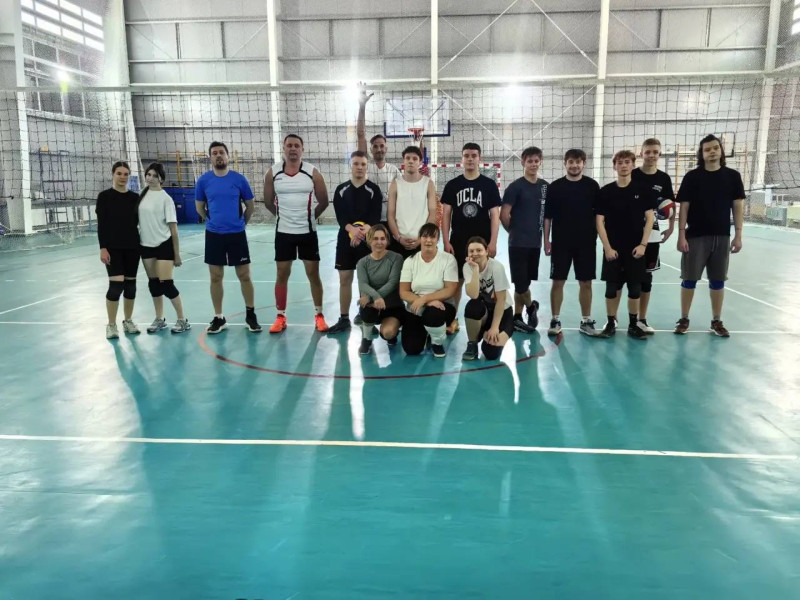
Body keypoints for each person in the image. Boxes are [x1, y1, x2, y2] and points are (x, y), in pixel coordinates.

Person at [675, 134, 745, 337]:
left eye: (715, 148)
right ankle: (684, 318)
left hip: (722, 237)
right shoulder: (692, 177)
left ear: (721, 151)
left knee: (718, 280)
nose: (712, 152)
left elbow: (737, 206)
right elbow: (684, 207)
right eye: (707, 149)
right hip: (695, 236)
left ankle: (716, 320)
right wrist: (681, 235)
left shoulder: (733, 176)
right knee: (689, 279)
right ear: (702, 154)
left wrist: (738, 235)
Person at [263, 134, 331, 333]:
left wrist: (308, 218)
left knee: (313, 274)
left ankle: (319, 315)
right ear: (284, 148)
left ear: (302, 149)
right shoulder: (273, 173)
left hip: (307, 232)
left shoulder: (313, 172)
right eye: (289, 145)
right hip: (283, 233)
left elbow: (324, 202)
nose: (293, 148)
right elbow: (268, 202)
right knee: (282, 274)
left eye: (296, 146)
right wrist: (283, 217)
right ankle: (280, 317)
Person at [195, 141, 260, 334]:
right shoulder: (203, 181)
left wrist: (241, 224)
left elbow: (250, 206)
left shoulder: (239, 179)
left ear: (227, 156)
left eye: (221, 152)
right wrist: (211, 221)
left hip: (236, 234)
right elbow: (199, 207)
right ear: (210, 157)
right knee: (216, 277)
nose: (218, 155)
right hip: (214, 235)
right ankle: (219, 317)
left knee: (244, 275)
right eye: (214, 153)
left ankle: (250, 315)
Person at [441, 142, 502, 335]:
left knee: (484, 282)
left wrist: (493, 242)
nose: (470, 159)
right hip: (458, 242)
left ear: (479, 159)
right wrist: (445, 241)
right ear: (461, 159)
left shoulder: (489, 185)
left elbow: (495, 215)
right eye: (466, 155)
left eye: (474, 155)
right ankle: (452, 319)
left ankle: (485, 318)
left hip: (482, 244)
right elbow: (446, 215)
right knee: (457, 282)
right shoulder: (452, 185)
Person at [595, 150, 655, 340]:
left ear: (633, 165)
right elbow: (599, 221)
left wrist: (643, 244)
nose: (623, 165)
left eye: (627, 162)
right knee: (611, 289)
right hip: (613, 249)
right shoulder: (606, 191)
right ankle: (610, 323)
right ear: (614, 166)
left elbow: (650, 218)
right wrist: (607, 247)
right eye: (619, 162)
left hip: (635, 249)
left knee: (635, 289)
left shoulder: (642, 190)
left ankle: (633, 325)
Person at [543, 149, 600, 336]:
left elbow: (599, 216)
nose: (574, 165)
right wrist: (546, 241)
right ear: (565, 163)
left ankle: (586, 321)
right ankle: (555, 320)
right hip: (561, 243)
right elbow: (547, 217)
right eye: (571, 162)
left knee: (586, 282)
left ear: (584, 163)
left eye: (578, 162)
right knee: (558, 281)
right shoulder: (555, 187)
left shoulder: (592, 186)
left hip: (586, 243)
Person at [327, 151, 384, 334]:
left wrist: (363, 232)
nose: (359, 167)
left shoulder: (374, 190)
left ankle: (366, 317)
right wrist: (352, 231)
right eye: (356, 164)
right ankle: (344, 319)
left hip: (367, 241)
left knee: (365, 280)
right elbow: (341, 218)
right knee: (345, 279)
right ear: (350, 166)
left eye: (363, 164)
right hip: (346, 240)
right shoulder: (341, 190)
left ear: (367, 167)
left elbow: (375, 217)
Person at [500, 146, 547, 334]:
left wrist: (546, 239)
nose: (533, 164)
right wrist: (514, 231)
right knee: (520, 284)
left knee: (524, 283)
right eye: (530, 161)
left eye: (536, 161)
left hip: (535, 243)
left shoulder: (545, 187)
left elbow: (547, 216)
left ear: (540, 162)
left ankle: (518, 317)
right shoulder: (515, 187)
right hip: (518, 243)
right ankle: (531, 307)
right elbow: (504, 215)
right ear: (523, 163)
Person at [631, 138, 676, 334]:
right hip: (631, 231)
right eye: (647, 151)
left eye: (655, 152)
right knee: (626, 277)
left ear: (660, 154)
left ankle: (642, 319)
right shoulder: (632, 174)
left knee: (646, 278)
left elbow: (671, 205)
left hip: (654, 233)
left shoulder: (664, 178)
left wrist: (671, 227)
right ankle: (616, 319)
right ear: (641, 153)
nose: (651, 155)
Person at [138, 162, 190, 334]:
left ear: (161, 179)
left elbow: (173, 228)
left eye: (155, 176)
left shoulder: (166, 199)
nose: (150, 178)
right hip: (146, 245)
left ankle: (182, 320)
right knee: (154, 284)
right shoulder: (141, 195)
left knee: (166, 283)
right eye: (148, 174)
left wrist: (177, 254)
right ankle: (159, 319)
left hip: (164, 244)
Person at [398, 223, 459, 357]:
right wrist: (426, 302)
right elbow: (403, 292)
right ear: (419, 238)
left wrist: (425, 299)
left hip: (442, 307)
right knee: (411, 349)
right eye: (425, 236)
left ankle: (437, 342)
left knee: (433, 314)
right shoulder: (410, 261)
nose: (428, 240)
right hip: (417, 308)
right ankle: (428, 332)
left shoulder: (448, 259)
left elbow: (450, 290)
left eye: (433, 237)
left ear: (438, 240)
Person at [96, 161, 141, 339]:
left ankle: (128, 321)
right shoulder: (104, 197)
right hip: (113, 249)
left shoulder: (135, 198)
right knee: (116, 287)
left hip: (133, 247)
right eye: (119, 173)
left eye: (126, 174)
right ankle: (111, 325)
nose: (123, 177)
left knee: (130, 287)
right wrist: (103, 248)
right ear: (113, 175)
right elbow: (102, 225)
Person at [461, 237, 515, 361]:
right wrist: (475, 269)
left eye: (479, 250)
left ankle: (510, 327)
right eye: (471, 251)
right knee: (472, 306)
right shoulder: (467, 267)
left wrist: (494, 328)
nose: (475, 253)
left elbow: (501, 300)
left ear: (486, 251)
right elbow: (473, 295)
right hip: (484, 312)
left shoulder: (496, 267)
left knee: (491, 353)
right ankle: (472, 344)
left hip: (502, 311)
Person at [356, 224, 405, 354]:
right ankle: (366, 339)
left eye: (382, 238)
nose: (379, 242)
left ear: (387, 240)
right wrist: (374, 298)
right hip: (373, 305)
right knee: (365, 305)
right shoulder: (362, 262)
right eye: (375, 238)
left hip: (392, 305)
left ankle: (392, 334)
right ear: (369, 240)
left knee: (388, 333)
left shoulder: (396, 258)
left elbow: (393, 282)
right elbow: (363, 284)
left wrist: (373, 297)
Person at [356, 84, 401, 226]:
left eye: (381, 146)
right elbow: (361, 134)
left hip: (390, 220)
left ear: (386, 148)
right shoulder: (366, 166)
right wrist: (362, 107)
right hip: (370, 219)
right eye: (375, 146)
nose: (379, 149)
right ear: (370, 149)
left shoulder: (393, 170)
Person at [387, 146, 438, 259]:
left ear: (420, 162)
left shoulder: (428, 183)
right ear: (403, 161)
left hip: (422, 242)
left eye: (415, 159)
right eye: (408, 158)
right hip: (399, 242)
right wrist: (399, 238)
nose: (411, 161)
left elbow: (432, 213)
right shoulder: (395, 184)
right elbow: (390, 215)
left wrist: (421, 239)